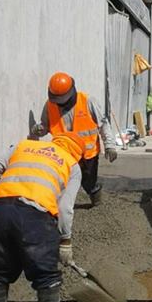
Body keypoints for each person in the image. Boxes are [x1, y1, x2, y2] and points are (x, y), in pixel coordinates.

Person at [0, 133, 84, 302]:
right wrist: (65, 241)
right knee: (45, 275)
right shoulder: (72, 165)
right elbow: (65, 209)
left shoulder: (24, 145)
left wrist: (1, 191)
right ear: (78, 153)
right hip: (35, 215)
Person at [31, 73, 118, 206]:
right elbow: (45, 126)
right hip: (63, 154)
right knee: (62, 183)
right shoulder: (49, 105)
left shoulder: (88, 101)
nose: (59, 104)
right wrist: (39, 129)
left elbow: (103, 125)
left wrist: (109, 145)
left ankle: (95, 195)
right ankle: (58, 207)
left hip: (87, 154)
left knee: (88, 182)